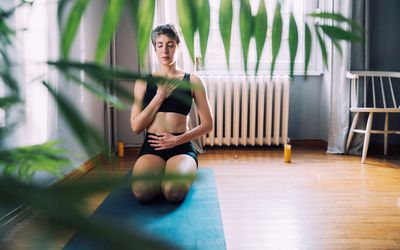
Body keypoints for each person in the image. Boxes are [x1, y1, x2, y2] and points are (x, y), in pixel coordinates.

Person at [130, 24, 213, 203]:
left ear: (178, 46)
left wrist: (176, 140)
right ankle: (160, 177)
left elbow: (208, 124)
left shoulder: (193, 81)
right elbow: (136, 127)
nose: (165, 50)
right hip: (152, 147)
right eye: (159, 45)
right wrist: (159, 97)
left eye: (170, 44)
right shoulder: (143, 83)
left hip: (181, 147)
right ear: (155, 49)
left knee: (173, 193)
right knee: (142, 193)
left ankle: (172, 177)